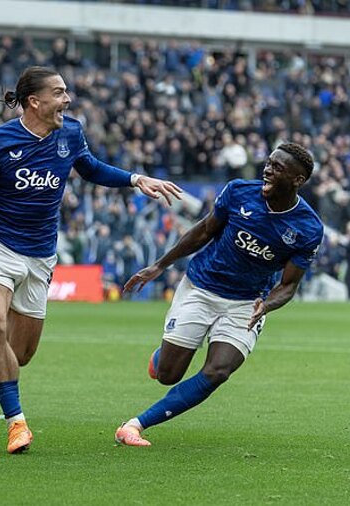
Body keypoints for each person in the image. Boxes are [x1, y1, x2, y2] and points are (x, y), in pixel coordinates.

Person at [0, 66, 182, 454]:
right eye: (59, 93)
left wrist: (135, 179)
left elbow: (90, 168)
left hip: (41, 254)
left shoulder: (71, 133)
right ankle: (16, 423)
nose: (68, 99)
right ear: (34, 101)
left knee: (20, 356)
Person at [115, 142, 324, 447]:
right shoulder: (239, 191)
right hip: (202, 287)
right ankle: (161, 358)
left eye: (277, 168)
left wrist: (266, 306)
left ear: (297, 180)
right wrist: (160, 265)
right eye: (268, 163)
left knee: (218, 371)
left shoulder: (307, 227)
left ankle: (134, 426)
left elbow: (289, 284)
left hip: (248, 302)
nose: (267, 170)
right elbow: (204, 231)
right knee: (167, 375)